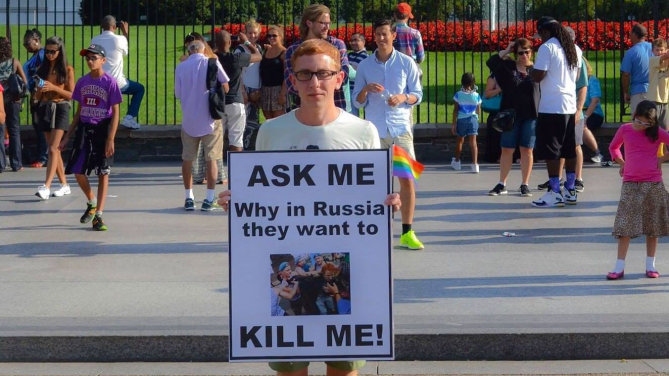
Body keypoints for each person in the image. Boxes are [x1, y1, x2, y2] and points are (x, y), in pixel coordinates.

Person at [218, 38, 400, 376]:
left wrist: (387, 202)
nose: (314, 83)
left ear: (339, 78)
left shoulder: (363, 132)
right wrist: (239, 202)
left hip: (345, 262)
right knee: (290, 369)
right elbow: (265, 199)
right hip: (287, 256)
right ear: (292, 80)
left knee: (343, 368)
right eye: (305, 75)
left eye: (323, 74)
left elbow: (372, 199)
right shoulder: (272, 132)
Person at [353, 18, 423, 250]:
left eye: (385, 34)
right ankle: (375, 230)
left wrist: (403, 98)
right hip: (375, 132)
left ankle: (407, 231)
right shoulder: (365, 66)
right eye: (377, 34)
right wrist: (365, 89)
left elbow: (417, 94)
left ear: (394, 35)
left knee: (406, 180)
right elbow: (357, 101)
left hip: (400, 129)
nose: (381, 38)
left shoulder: (406, 63)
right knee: (375, 182)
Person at [59, 44, 122, 231]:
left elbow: (116, 112)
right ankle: (92, 201)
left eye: (94, 58)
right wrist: (67, 136)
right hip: (85, 129)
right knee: (78, 170)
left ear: (103, 60)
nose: (90, 61)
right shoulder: (82, 82)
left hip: (102, 128)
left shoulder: (110, 82)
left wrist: (111, 138)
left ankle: (99, 215)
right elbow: (78, 112)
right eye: (87, 58)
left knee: (103, 172)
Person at [606, 100, 669, 280]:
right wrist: (622, 163)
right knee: (625, 225)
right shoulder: (625, 129)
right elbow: (613, 147)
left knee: (653, 226)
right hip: (631, 183)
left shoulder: (657, 133)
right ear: (634, 116)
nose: (640, 126)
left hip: (653, 183)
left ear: (652, 123)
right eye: (638, 121)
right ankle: (619, 266)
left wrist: (663, 158)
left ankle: (651, 265)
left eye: (646, 123)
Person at [530, 16, 581, 208]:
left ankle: (554, 191)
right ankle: (570, 189)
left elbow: (539, 75)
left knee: (552, 150)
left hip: (551, 106)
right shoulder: (574, 49)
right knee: (569, 149)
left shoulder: (547, 47)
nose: (539, 38)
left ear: (545, 31)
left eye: (540, 33)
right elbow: (575, 77)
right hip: (569, 104)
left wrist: (530, 71)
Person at [175, 40, 229, 211]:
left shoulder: (181, 67)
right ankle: (209, 198)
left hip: (189, 118)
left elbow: (178, 93)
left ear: (189, 51)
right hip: (210, 118)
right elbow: (226, 85)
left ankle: (188, 197)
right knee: (212, 158)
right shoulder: (211, 62)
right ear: (204, 49)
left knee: (188, 158)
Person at [486, 38, 537, 197]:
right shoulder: (508, 67)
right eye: (520, 53)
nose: (524, 55)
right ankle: (502, 183)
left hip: (530, 115)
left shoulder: (536, 70)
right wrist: (507, 50)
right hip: (510, 115)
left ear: (531, 52)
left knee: (526, 149)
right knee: (507, 148)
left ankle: (525, 183)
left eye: (526, 52)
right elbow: (491, 61)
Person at [283, 4, 350, 112]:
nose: (327, 27)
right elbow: (291, 83)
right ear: (309, 23)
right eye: (322, 23)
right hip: (304, 111)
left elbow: (344, 76)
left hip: (335, 107)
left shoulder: (337, 45)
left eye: (328, 23)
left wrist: (309, 85)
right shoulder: (292, 50)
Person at [33, 36, 74, 200]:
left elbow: (72, 94)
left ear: (59, 52)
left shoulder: (67, 70)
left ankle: (46, 186)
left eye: (53, 52)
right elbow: (36, 94)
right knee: (54, 151)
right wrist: (39, 91)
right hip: (45, 107)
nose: (49, 55)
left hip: (61, 107)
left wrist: (54, 87)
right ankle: (64, 185)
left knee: (52, 149)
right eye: (47, 51)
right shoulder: (42, 69)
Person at [90, 15, 145, 129]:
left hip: (99, 82)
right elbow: (125, 52)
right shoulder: (120, 39)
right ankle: (129, 118)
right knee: (139, 89)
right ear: (115, 26)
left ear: (102, 27)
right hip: (117, 83)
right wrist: (125, 33)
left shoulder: (94, 40)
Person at [0, 37, 28, 172]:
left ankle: (0, 164)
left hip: (0, 99)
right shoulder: (14, 62)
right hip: (13, 99)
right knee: (14, 131)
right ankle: (16, 164)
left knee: (0, 131)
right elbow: (24, 81)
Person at [23, 28, 48, 168]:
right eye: (24, 45)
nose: (26, 46)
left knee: (41, 128)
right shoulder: (36, 55)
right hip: (35, 94)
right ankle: (42, 155)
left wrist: (36, 95)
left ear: (37, 40)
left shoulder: (41, 55)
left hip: (39, 96)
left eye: (28, 43)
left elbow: (42, 76)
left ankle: (43, 157)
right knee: (38, 127)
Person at [450, 72, 481, 173]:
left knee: (460, 141)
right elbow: (478, 110)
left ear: (462, 82)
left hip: (462, 119)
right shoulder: (476, 95)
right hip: (473, 119)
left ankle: (457, 162)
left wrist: (454, 123)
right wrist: (476, 117)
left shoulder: (458, 95)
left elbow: (455, 110)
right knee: (473, 142)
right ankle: (475, 164)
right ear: (473, 83)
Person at [235, 19, 263, 126]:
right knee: (242, 123)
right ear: (245, 34)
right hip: (244, 88)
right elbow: (237, 72)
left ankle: (250, 143)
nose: (252, 35)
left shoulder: (259, 48)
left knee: (252, 123)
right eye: (250, 33)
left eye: (255, 33)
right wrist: (242, 90)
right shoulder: (240, 50)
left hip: (256, 88)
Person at [620, 23, 653, 117]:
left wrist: (625, 92)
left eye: (630, 34)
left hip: (638, 92)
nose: (630, 36)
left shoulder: (631, 53)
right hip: (654, 90)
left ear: (635, 34)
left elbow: (626, 74)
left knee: (638, 121)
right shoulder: (655, 49)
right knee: (652, 121)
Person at [259, 25, 287, 120]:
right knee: (268, 122)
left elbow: (287, 75)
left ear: (280, 36)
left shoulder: (284, 53)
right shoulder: (266, 50)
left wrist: (283, 94)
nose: (271, 38)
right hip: (265, 90)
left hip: (278, 90)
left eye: (274, 35)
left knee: (279, 122)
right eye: (269, 36)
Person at [582, 57, 605, 163]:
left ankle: (597, 153)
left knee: (582, 126)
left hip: (593, 113)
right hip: (577, 112)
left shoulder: (592, 80)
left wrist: (585, 117)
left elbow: (595, 100)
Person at [647, 38, 669, 131]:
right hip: (654, 99)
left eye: (661, 50)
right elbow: (663, 58)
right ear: (652, 51)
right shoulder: (652, 60)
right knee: (653, 126)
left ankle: (664, 146)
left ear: (665, 50)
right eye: (657, 50)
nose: (659, 52)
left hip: (665, 100)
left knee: (665, 128)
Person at [347, 32, 368, 117]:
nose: (353, 43)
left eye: (356, 40)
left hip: (358, 90)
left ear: (363, 42)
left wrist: (350, 68)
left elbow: (356, 73)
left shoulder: (366, 57)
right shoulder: (349, 55)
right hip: (349, 88)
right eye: (351, 41)